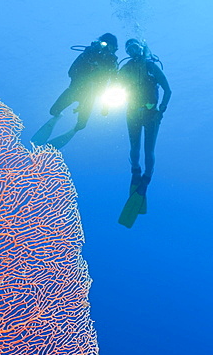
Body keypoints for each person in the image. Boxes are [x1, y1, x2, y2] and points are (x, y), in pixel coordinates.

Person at [117, 38, 171, 227]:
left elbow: (168, 90)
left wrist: (161, 110)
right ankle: (135, 172)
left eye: (135, 46)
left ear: (141, 48)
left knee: (148, 150)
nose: (132, 50)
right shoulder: (125, 69)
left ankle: (146, 180)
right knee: (134, 148)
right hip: (132, 113)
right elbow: (115, 88)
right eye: (129, 48)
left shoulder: (151, 66)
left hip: (151, 115)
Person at [32, 33, 119, 148]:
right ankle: (58, 117)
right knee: (53, 111)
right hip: (75, 89)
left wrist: (106, 106)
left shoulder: (113, 63)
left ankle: (73, 130)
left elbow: (112, 86)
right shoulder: (88, 54)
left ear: (114, 48)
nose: (106, 48)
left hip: (90, 96)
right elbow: (71, 71)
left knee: (81, 125)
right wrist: (88, 63)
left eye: (110, 46)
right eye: (104, 44)